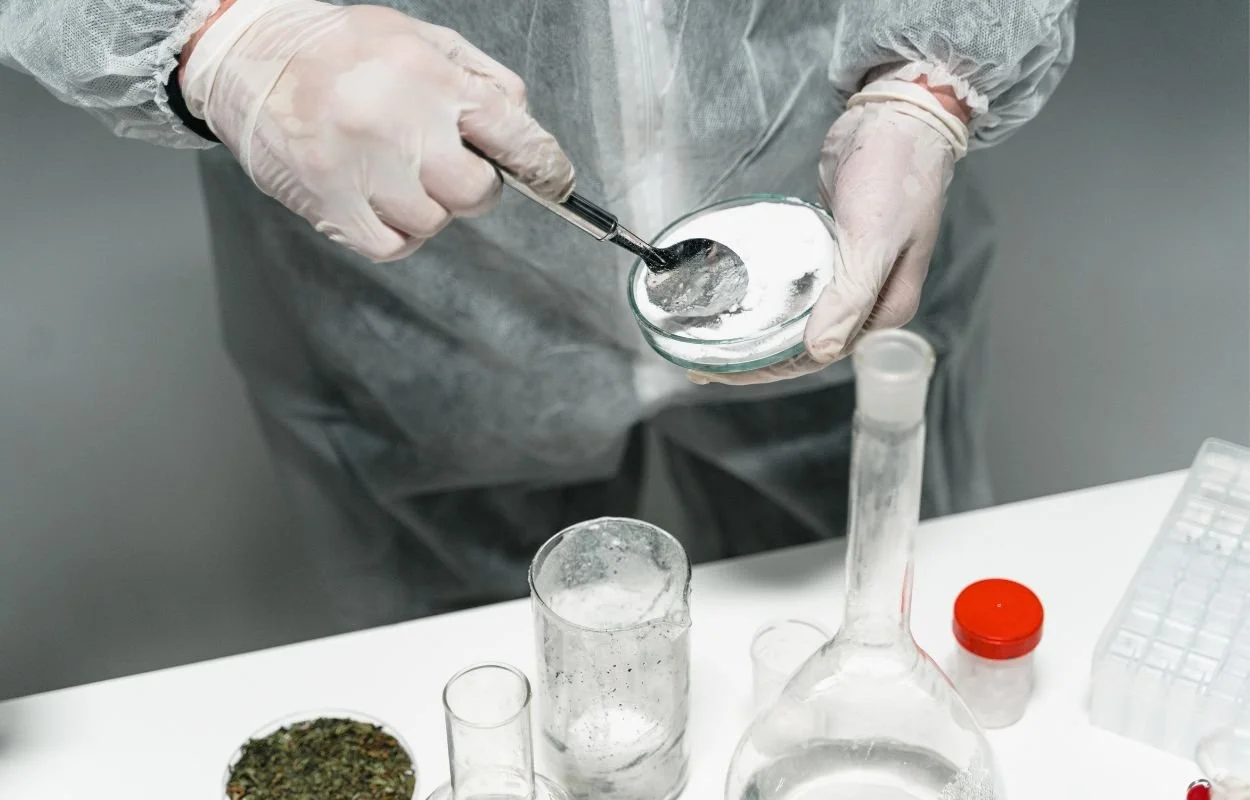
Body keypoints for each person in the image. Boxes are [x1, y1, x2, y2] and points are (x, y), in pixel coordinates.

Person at [1, 0, 1077, 628]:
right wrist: (233, 42)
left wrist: (927, 84)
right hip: (422, 277)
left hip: (820, 183)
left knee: (850, 617)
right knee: (484, 668)